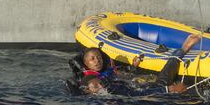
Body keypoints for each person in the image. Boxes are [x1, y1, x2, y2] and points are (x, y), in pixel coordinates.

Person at [67, 34, 201, 96]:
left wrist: (133, 68)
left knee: (159, 83)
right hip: (133, 94)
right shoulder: (89, 80)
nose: (97, 61)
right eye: (92, 59)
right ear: (86, 63)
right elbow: (92, 84)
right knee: (162, 84)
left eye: (98, 57)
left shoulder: (107, 72)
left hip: (135, 86)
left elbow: (123, 78)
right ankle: (183, 49)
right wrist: (168, 90)